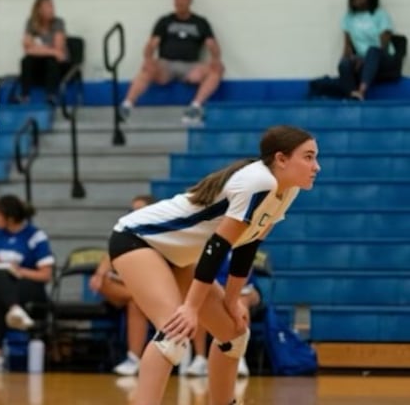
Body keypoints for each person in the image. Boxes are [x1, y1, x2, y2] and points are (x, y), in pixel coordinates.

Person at [108, 125, 319, 405]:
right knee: (174, 332)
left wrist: (232, 300)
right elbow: (216, 247)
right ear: (281, 159)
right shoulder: (260, 182)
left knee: (234, 334)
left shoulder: (287, 190)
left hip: (178, 256)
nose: (316, 166)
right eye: (308, 157)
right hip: (137, 239)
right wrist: (191, 308)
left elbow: (247, 245)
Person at [0, 195, 55, 373]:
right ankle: (15, 309)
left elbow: (46, 275)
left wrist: (19, 271)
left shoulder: (35, 236)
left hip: (29, 288)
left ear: (8, 217)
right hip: (0, 286)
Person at [121, 0, 223, 125]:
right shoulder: (165, 21)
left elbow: (212, 43)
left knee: (218, 69)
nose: (180, 2)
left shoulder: (200, 22)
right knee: (148, 67)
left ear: (190, 0)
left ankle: (195, 107)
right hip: (166, 65)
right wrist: (148, 59)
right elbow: (152, 43)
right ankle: (127, 105)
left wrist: (216, 59)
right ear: (174, 1)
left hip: (191, 67)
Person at [89, 194, 153, 376]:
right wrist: (100, 274)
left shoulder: (159, 233)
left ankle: (133, 358)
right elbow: (109, 255)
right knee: (102, 282)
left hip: (150, 289)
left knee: (136, 302)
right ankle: (133, 357)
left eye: (139, 209)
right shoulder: (125, 231)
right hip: (126, 287)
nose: (134, 213)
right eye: (132, 210)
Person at [185, 259, 261, 377]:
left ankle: (239, 358)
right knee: (199, 307)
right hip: (215, 287)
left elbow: (245, 271)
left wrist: (231, 295)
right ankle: (200, 358)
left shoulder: (244, 243)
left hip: (243, 288)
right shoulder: (209, 245)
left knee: (241, 304)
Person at [338, 0, 401, 100]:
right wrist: (349, 59)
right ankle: (353, 95)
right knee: (344, 63)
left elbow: (383, 46)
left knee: (372, 50)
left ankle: (362, 90)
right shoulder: (349, 17)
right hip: (362, 60)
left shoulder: (380, 14)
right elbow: (347, 48)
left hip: (383, 58)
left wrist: (364, 60)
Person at [20, 0, 68, 105]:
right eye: (49, 6)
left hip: (58, 65)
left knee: (51, 60)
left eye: (52, 6)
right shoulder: (31, 23)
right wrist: (51, 50)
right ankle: (24, 95)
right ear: (39, 10)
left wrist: (37, 48)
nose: (52, 9)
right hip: (39, 64)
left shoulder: (58, 23)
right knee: (26, 60)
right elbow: (28, 50)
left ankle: (51, 95)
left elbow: (59, 50)